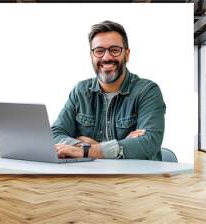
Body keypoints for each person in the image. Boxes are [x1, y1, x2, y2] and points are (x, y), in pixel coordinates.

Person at [51, 20, 166, 160]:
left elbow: (149, 143)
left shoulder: (147, 91)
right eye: (99, 51)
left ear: (127, 54)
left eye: (114, 50)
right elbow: (54, 134)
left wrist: (88, 150)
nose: (106, 57)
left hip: (136, 179)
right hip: (90, 178)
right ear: (91, 56)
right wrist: (95, 147)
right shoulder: (80, 91)